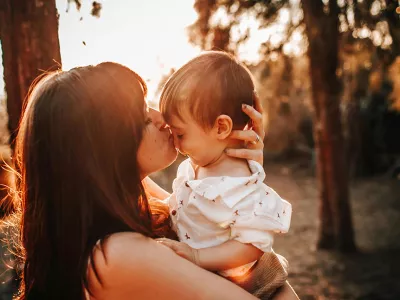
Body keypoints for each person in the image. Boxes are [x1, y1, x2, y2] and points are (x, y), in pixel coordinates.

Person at [5, 61, 298, 299]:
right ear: (103, 149)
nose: (161, 118)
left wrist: (241, 174)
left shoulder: (132, 202)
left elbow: (218, 222)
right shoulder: (116, 255)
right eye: (143, 117)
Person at [157, 51, 291, 299]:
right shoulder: (197, 165)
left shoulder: (238, 183)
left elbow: (253, 245)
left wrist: (198, 257)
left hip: (252, 285)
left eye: (181, 134)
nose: (174, 143)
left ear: (221, 127)